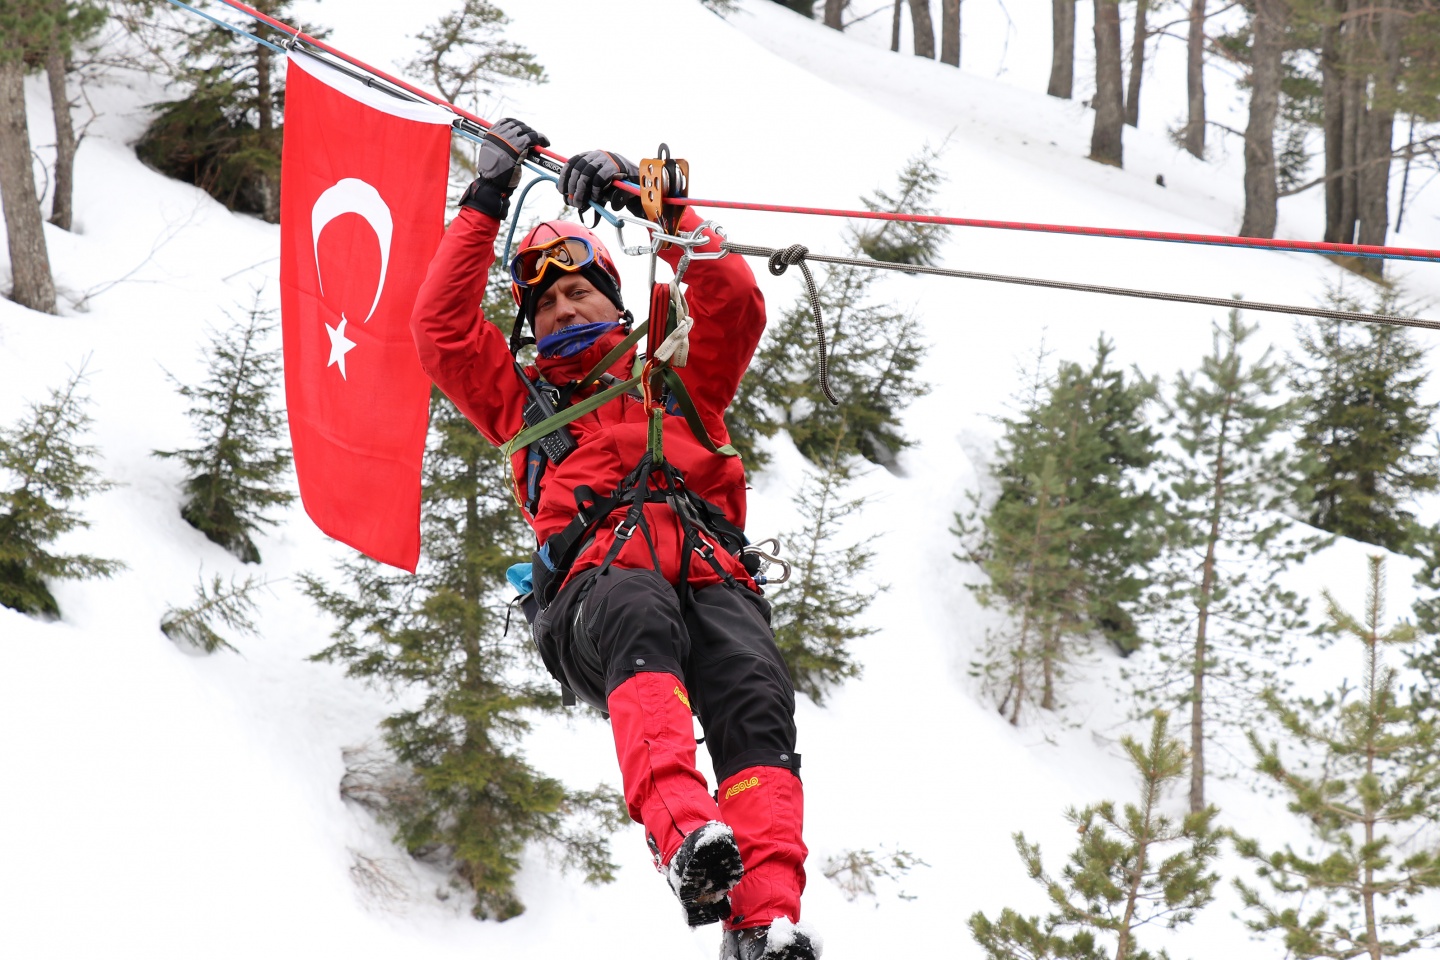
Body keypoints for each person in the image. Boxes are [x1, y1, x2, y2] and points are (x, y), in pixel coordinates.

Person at [410, 119, 819, 960]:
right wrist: (485, 198)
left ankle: (765, 924)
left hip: (710, 574)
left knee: (754, 693)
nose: (562, 308)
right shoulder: (523, 403)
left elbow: (734, 301)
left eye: (577, 291)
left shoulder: (677, 372)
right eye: (545, 303)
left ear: (613, 297)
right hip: (599, 600)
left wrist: (656, 208)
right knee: (638, 610)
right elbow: (441, 330)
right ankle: (687, 840)